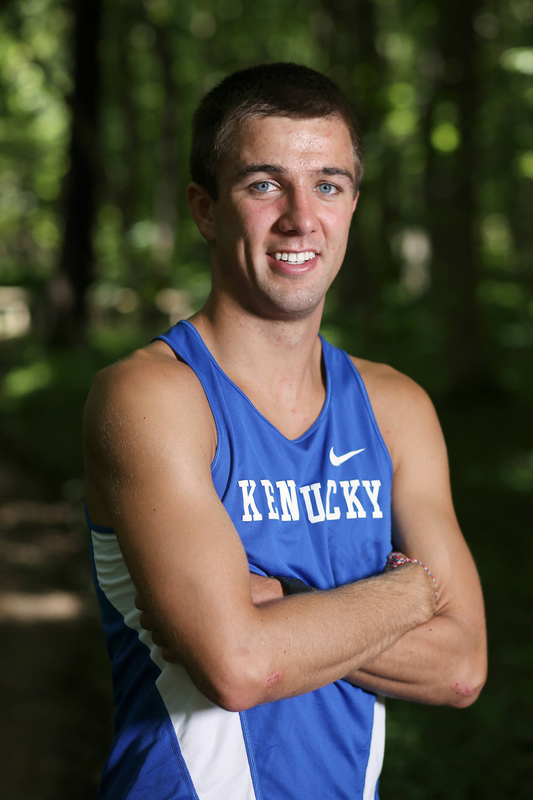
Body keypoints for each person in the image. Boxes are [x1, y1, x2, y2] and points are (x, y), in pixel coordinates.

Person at [84, 63, 487, 799]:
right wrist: (412, 594)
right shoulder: (152, 397)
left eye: (327, 185)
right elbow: (240, 668)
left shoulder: (395, 407)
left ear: (352, 204)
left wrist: (280, 612)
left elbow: (460, 668)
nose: (301, 217)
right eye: (264, 184)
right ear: (205, 210)